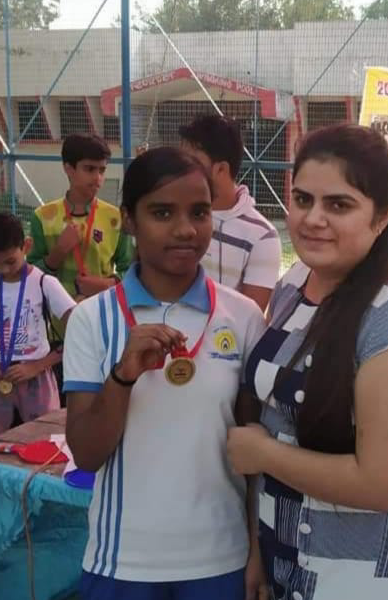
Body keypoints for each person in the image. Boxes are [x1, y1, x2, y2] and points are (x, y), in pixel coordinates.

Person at [227, 124, 388, 600]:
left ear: (382, 216)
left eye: (339, 205)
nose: (313, 219)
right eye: (303, 199)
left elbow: (384, 486)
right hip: (286, 558)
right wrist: (258, 550)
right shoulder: (294, 283)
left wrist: (263, 455)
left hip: (362, 577)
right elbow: (275, 420)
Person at [62, 147, 267, 599]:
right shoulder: (93, 319)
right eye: (162, 213)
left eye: (199, 212)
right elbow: (87, 455)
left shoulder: (243, 317)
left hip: (222, 557)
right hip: (123, 559)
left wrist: (256, 549)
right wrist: (123, 376)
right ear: (129, 220)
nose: (185, 229)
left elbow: (254, 451)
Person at [179, 115, 281, 312]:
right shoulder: (174, 217)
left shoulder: (262, 236)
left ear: (221, 169)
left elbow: (248, 316)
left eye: (192, 163)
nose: (181, 170)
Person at [28, 133, 133, 302]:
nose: (98, 178)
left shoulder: (116, 218)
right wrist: (58, 252)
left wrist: (107, 284)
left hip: (102, 310)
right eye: (89, 169)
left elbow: (131, 269)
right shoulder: (42, 217)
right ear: (69, 169)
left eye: (102, 170)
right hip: (56, 314)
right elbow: (29, 275)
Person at [0, 213, 75, 432]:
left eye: (10, 261)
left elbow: (82, 331)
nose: (3, 270)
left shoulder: (44, 283)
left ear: (26, 246)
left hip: (37, 378)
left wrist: (37, 366)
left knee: (43, 440)